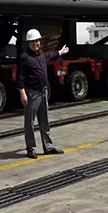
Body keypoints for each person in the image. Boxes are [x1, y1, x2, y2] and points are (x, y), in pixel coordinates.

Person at [17, 29, 69, 159]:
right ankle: (30, 148)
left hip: (43, 92)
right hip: (32, 94)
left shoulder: (42, 55)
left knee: (44, 121)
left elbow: (51, 55)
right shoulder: (24, 58)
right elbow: (20, 77)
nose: (36, 43)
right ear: (28, 43)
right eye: (33, 41)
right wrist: (22, 94)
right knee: (29, 122)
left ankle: (48, 147)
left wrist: (60, 52)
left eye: (37, 41)